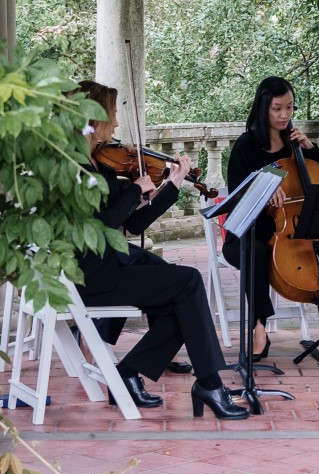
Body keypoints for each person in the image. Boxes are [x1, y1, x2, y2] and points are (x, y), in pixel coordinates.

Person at [72, 80, 249, 419]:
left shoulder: (98, 164)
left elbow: (133, 224)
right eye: (112, 115)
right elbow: (102, 224)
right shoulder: (75, 169)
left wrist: (172, 184)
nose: (118, 123)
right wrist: (131, 193)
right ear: (92, 117)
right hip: (92, 274)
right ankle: (208, 383)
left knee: (180, 297)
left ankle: (132, 374)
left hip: (107, 262)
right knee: (188, 283)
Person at [222, 75, 319, 361]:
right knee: (256, 252)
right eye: (277, 108)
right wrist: (263, 192)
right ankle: (258, 329)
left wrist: (310, 150)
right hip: (251, 233)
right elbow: (236, 197)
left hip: (294, 229)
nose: (284, 115)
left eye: (289, 108)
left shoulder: (295, 143)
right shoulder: (246, 146)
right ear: (264, 107)